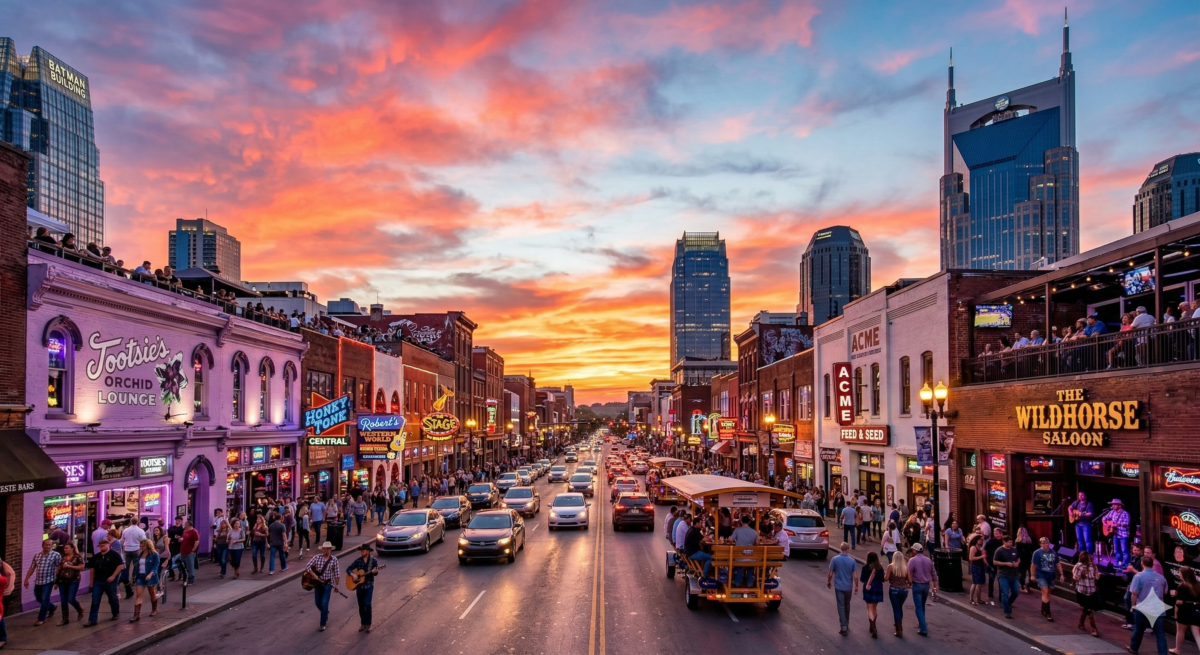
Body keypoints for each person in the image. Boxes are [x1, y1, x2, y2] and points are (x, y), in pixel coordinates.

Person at [1128, 555, 1169, 655]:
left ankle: (1134, 648)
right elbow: (1166, 592)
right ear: (1152, 564)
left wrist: (1133, 606)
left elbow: (1134, 593)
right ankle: (1163, 653)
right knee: (1160, 633)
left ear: (1142, 564)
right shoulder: (1161, 577)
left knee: (1138, 629)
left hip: (1142, 607)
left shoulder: (1138, 576)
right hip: (1156, 608)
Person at [82, 539, 124, 627]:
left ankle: (115, 612)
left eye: (103, 546)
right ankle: (92, 620)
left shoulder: (114, 555)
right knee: (95, 600)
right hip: (98, 580)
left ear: (108, 545)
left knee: (112, 598)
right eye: (100, 546)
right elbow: (92, 568)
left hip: (110, 581)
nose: (101, 548)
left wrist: (113, 576)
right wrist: (91, 581)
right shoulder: (96, 556)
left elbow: (120, 566)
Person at [24, 538, 62, 625]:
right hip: (38, 581)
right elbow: (32, 567)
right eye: (46, 545)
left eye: (50, 545)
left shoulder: (56, 555)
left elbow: (59, 567)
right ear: (42, 546)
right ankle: (52, 607)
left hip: (49, 581)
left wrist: (57, 579)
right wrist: (26, 579)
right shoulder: (37, 556)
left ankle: (41, 619)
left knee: (45, 599)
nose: (48, 546)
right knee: (38, 598)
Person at [305, 542, 341, 632]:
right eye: (324, 549)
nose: (326, 550)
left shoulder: (334, 560)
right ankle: (325, 612)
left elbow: (337, 573)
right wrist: (314, 576)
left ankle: (322, 624)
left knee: (324, 603)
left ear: (330, 550)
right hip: (317, 583)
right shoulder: (317, 557)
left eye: (328, 549)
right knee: (318, 603)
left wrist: (337, 585)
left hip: (328, 584)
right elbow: (307, 566)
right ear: (322, 549)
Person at [346, 544, 380, 632]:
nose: (362, 551)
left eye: (363, 550)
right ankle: (363, 624)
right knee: (361, 605)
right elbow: (348, 569)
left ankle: (368, 624)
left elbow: (375, 574)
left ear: (368, 551)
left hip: (369, 585)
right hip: (359, 587)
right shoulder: (358, 561)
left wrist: (374, 572)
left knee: (367, 604)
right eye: (361, 550)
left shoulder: (373, 561)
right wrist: (353, 575)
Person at [827, 542, 858, 636]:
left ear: (841, 549)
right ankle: (846, 622)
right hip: (848, 586)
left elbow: (831, 573)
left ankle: (843, 626)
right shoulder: (852, 561)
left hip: (839, 586)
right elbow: (855, 575)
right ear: (848, 549)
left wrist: (829, 581)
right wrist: (856, 586)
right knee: (847, 604)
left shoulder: (835, 559)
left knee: (840, 605)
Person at [907, 544, 938, 636]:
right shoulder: (928, 560)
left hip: (917, 585)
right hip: (926, 585)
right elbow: (934, 573)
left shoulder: (912, 560)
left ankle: (923, 628)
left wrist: (909, 583)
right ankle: (922, 622)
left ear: (914, 551)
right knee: (922, 604)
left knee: (918, 607)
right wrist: (935, 586)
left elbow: (909, 573)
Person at [129, 538, 160, 622]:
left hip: (150, 577)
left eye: (143, 546)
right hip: (140, 576)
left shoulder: (154, 554)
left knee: (152, 593)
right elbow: (136, 566)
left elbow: (155, 566)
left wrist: (150, 574)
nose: (141, 547)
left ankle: (154, 609)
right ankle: (136, 615)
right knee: (138, 595)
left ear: (148, 546)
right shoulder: (140, 554)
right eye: (140, 546)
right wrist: (134, 575)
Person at [1031, 537, 1062, 622]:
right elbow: (1033, 565)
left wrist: (1062, 574)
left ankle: (1043, 608)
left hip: (1051, 575)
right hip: (1041, 575)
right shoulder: (1037, 553)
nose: (1045, 545)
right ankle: (1048, 612)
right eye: (1043, 543)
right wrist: (1032, 575)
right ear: (1040, 544)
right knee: (1045, 592)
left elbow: (1058, 563)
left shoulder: (1053, 552)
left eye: (1046, 543)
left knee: (1048, 593)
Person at [1072, 551, 1101, 638]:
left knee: (1087, 607)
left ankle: (1086, 625)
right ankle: (1090, 627)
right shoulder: (1094, 566)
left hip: (1082, 590)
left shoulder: (1078, 566)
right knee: (1088, 608)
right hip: (1091, 590)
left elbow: (1075, 578)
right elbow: (1097, 577)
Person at [55, 542, 85, 625]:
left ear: (72, 548)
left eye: (67, 548)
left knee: (71, 598)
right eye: (64, 548)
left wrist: (69, 566)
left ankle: (79, 609)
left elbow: (82, 567)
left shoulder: (78, 557)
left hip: (74, 580)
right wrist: (56, 582)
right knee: (63, 600)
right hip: (62, 581)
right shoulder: (63, 557)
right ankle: (65, 619)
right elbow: (59, 569)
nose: (65, 550)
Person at [993, 534, 1022, 619]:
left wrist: (1017, 563)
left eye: (1011, 542)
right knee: (1005, 593)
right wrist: (1006, 564)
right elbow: (995, 562)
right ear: (1004, 542)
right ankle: (1007, 611)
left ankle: (1008, 603)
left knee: (1016, 592)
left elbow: (1018, 558)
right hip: (1003, 575)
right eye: (1009, 542)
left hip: (1014, 574)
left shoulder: (1014, 550)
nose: (1011, 543)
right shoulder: (999, 551)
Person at [1173, 566, 1200, 654]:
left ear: (1184, 575)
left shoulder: (1182, 586)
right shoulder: (1198, 585)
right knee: (1197, 634)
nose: (1179, 574)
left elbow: (1179, 602)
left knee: (1180, 631)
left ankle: (1178, 649)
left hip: (1184, 611)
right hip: (1196, 611)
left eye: (1180, 573)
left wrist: (1176, 613)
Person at [886, 550, 912, 637]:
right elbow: (910, 580)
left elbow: (886, 578)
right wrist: (907, 584)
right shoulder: (905, 568)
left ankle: (899, 629)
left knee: (896, 609)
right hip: (904, 590)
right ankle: (898, 622)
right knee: (900, 607)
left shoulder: (890, 567)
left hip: (894, 589)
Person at [118, 519, 146, 598]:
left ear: (130, 522)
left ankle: (125, 580)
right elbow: (144, 541)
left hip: (127, 549)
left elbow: (122, 540)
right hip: (136, 549)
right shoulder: (140, 531)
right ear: (137, 522)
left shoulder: (125, 530)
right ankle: (134, 579)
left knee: (126, 566)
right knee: (136, 565)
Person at [861, 551, 885, 638]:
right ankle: (873, 625)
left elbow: (862, 579)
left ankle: (873, 627)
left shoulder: (865, 567)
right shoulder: (880, 568)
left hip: (869, 589)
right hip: (878, 588)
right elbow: (883, 579)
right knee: (874, 608)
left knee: (869, 609)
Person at [1108, 499, 1132, 569]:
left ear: (1120, 506)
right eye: (1112, 504)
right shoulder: (1112, 512)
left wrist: (1118, 524)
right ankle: (1117, 563)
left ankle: (1125, 564)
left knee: (1124, 550)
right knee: (1117, 550)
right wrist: (1106, 524)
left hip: (1123, 534)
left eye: (1115, 504)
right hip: (1115, 534)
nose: (1113, 506)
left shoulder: (1125, 514)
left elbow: (1127, 524)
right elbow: (1104, 518)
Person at [1070, 492, 1095, 556]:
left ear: (1085, 496)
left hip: (1086, 524)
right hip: (1077, 524)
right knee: (1080, 541)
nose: (1080, 496)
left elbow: (1090, 513)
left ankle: (1089, 556)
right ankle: (1081, 556)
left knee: (1087, 541)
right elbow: (1069, 507)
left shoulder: (1089, 504)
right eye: (1079, 495)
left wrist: (1083, 514)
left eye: (1082, 495)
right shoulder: (1076, 502)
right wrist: (1070, 513)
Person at [984, 528, 1004, 606]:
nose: (995, 534)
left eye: (997, 533)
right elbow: (984, 550)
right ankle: (990, 595)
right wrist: (986, 561)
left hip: (1001, 564)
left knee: (1001, 581)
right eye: (994, 533)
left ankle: (1001, 597)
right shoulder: (991, 541)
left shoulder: (1003, 541)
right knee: (991, 580)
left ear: (1001, 533)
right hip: (991, 563)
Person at [1016, 527, 1036, 592]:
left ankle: (1022, 586)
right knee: (1029, 572)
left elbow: (1017, 551)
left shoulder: (1017, 541)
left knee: (1022, 573)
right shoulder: (1029, 540)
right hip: (1029, 558)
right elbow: (1033, 549)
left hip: (1021, 559)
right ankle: (1028, 586)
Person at [968, 534, 987, 605]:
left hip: (981, 566)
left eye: (982, 540)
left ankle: (979, 599)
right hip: (975, 566)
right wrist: (981, 556)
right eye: (980, 540)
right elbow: (971, 558)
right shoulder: (973, 548)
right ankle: (971, 598)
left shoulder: (980, 548)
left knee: (980, 583)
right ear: (976, 540)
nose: (982, 541)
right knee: (975, 582)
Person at [179, 520, 199, 585]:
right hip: (182, 552)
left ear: (188, 525)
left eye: (185, 524)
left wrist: (193, 550)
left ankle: (191, 580)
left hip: (190, 552)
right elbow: (183, 539)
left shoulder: (194, 532)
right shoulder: (184, 531)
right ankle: (185, 577)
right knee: (181, 565)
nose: (184, 525)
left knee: (190, 567)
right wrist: (180, 539)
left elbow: (197, 542)